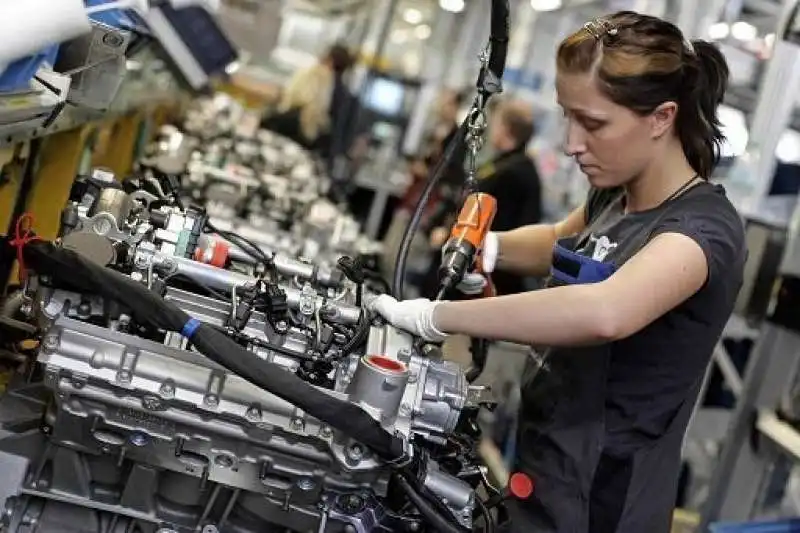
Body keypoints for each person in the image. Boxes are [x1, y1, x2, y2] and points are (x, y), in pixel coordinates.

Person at [369, 11, 745, 533]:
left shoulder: (703, 229)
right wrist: (491, 247)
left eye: (592, 123)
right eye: (568, 116)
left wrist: (440, 316)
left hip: (603, 503)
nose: (571, 142)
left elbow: (605, 311)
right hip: (543, 468)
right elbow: (557, 243)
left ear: (662, 117)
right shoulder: (616, 196)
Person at [427, 98, 543, 297]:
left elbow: (500, 223)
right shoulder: (504, 164)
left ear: (506, 129)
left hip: (483, 271)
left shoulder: (516, 172)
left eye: (496, 123)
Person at [380, 88, 467, 281]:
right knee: (388, 255)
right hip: (412, 201)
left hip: (426, 210)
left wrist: (426, 173)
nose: (441, 106)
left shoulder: (457, 141)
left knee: (400, 261)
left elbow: (449, 179)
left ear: (454, 106)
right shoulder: (434, 132)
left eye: (446, 102)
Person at [261, 44, 354, 152]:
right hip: (319, 150)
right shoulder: (346, 98)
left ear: (330, 61)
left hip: (296, 139)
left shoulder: (318, 78)